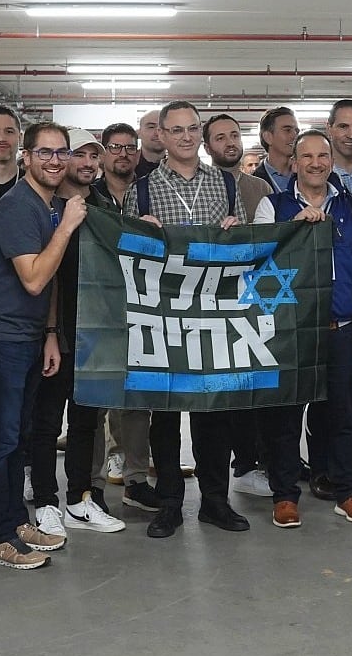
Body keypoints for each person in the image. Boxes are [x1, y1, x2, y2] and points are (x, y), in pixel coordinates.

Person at [133, 101, 250, 538]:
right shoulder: (141, 190)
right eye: (176, 129)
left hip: (214, 315)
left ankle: (215, 501)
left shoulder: (224, 182)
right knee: (164, 413)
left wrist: (238, 230)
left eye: (192, 129)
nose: (185, 137)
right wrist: (138, 231)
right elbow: (127, 255)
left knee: (213, 413)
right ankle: (168, 503)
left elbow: (240, 249)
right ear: (160, 136)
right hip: (164, 318)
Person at [0, 121, 81, 569]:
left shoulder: (49, 206)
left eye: (61, 153)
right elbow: (34, 278)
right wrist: (68, 227)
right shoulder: (19, 207)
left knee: (19, 438)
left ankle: (15, 521)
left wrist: (50, 333)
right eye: (44, 152)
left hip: (29, 337)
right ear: (26, 158)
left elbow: (48, 282)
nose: (54, 160)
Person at [254, 132, 352, 526]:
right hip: (293, 330)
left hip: (341, 327)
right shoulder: (272, 206)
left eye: (323, 156)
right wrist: (292, 227)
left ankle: (346, 491)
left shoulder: (349, 204)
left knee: (341, 414)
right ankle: (285, 496)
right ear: (294, 162)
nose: (317, 163)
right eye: (308, 156)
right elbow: (257, 259)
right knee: (286, 416)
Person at [25, 129, 128, 540]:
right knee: (47, 421)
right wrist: (50, 330)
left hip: (95, 330)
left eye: (93, 156)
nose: (87, 163)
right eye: (79, 155)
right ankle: (46, 501)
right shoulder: (44, 205)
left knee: (87, 419)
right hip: (55, 330)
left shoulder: (103, 206)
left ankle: (79, 499)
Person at [90, 122, 159, 510]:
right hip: (98, 308)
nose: (124, 153)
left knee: (137, 399)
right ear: (103, 153)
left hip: (141, 307)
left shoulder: (149, 194)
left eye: (130, 147)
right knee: (97, 400)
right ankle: (94, 483)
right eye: (115, 147)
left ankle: (135, 478)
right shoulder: (88, 196)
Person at [204, 113, 274, 221]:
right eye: (220, 138)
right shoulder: (198, 187)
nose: (230, 143)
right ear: (207, 148)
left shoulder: (262, 188)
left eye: (235, 136)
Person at [255, 105, 299, 192]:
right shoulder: (252, 183)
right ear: (268, 137)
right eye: (287, 130)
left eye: (296, 131)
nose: (295, 136)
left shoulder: (306, 175)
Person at [134, 108, 164, 179]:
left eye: (162, 127)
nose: (157, 133)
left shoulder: (180, 167)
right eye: (151, 127)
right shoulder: (127, 165)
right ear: (139, 132)